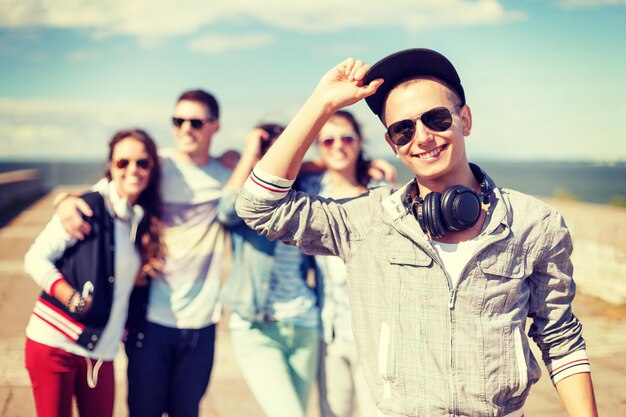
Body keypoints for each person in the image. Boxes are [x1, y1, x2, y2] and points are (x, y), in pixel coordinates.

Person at [235, 48, 598, 417]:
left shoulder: (533, 223)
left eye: (436, 118)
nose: (422, 137)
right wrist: (320, 104)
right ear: (393, 144)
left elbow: (560, 338)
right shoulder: (366, 222)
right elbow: (258, 207)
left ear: (465, 120)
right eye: (403, 130)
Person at [56, 90, 233, 417]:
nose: (185, 129)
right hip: (150, 320)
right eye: (178, 121)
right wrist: (65, 199)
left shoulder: (227, 178)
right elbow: (106, 192)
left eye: (196, 121)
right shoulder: (155, 165)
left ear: (215, 126)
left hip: (202, 322)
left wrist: (244, 154)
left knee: (186, 411)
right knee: (143, 410)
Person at [24, 128, 164, 417]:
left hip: (102, 353)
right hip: (55, 343)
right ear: (111, 167)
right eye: (123, 162)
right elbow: (35, 258)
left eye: (143, 162)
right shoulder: (87, 207)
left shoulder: (137, 217)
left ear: (152, 168)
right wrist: (72, 297)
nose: (133, 170)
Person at [218, 123, 322, 417]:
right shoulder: (248, 202)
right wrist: (250, 150)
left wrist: (371, 164)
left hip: (303, 323)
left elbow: (337, 165)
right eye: (271, 153)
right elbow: (225, 210)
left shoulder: (305, 196)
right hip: (256, 327)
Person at [297, 110, 380, 417]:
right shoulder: (310, 190)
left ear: (360, 142)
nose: (338, 146)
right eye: (327, 141)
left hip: (375, 337)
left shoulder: (380, 192)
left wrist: (370, 168)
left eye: (347, 138)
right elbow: (277, 170)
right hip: (330, 333)